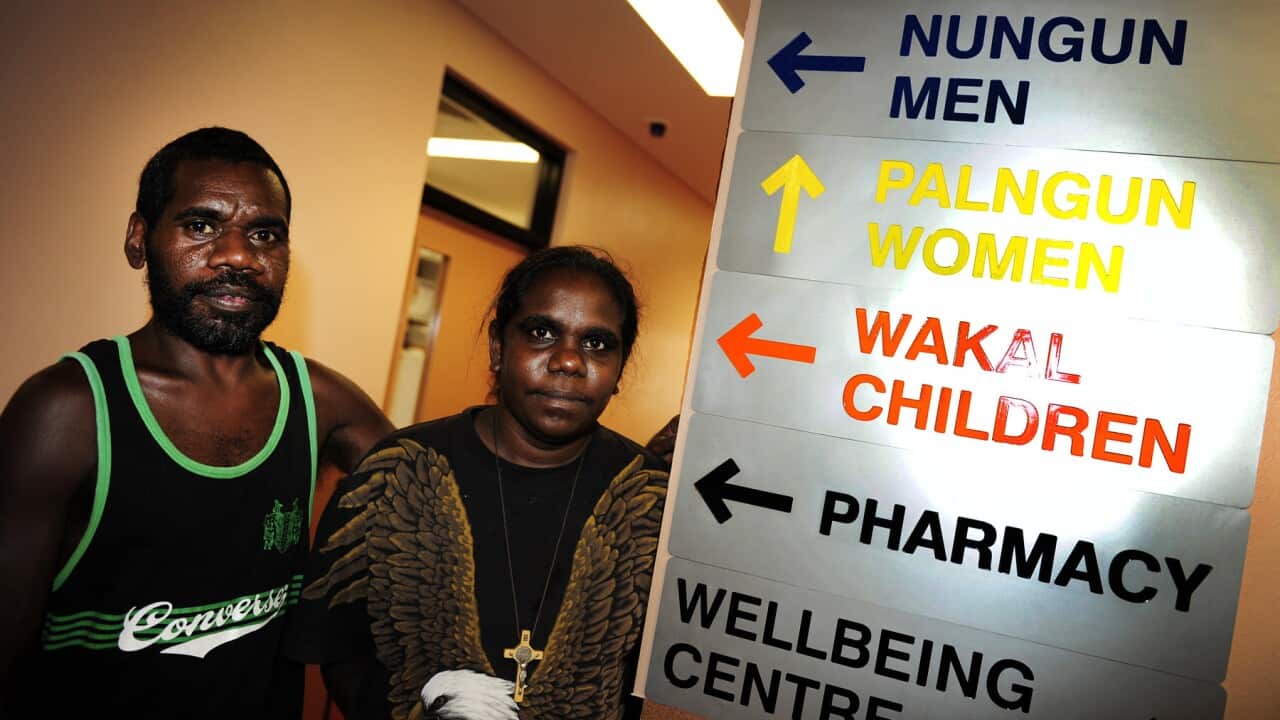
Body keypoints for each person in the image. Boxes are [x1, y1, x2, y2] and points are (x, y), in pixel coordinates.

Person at [0, 127, 393, 718]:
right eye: (201, 226)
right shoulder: (68, 409)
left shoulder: (319, 399)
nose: (238, 255)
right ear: (139, 239)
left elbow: (445, 504)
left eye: (264, 234)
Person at [290, 246, 669, 720]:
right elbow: (340, 653)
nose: (569, 361)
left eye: (596, 343)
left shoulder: (654, 499)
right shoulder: (396, 472)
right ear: (498, 346)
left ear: (619, 368)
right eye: (542, 332)